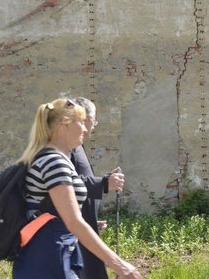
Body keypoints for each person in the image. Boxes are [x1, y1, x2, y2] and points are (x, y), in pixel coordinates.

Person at [12, 97, 141, 279]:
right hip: (46, 259)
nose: (87, 128)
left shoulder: (57, 158)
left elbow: (61, 212)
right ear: (65, 124)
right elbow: (73, 221)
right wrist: (119, 265)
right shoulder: (54, 162)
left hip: (57, 253)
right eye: (81, 122)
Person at [70, 97, 124, 279]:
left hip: (80, 228)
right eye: (94, 121)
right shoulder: (67, 147)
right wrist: (104, 183)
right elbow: (66, 183)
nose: (93, 127)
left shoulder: (76, 147)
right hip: (70, 235)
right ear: (85, 120)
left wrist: (91, 221)